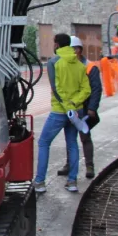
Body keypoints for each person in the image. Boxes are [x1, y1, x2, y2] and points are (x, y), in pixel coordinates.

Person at [34, 33, 92, 194]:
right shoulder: (80, 65)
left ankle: (39, 182)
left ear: (57, 44)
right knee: (72, 143)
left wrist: (67, 107)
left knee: (44, 142)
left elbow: (56, 88)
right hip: (76, 112)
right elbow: (86, 90)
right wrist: (74, 104)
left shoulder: (54, 63)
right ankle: (72, 181)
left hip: (60, 112)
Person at [58, 36, 102, 180]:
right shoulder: (66, 65)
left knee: (85, 137)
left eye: (71, 49)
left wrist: (92, 108)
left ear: (78, 50)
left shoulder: (90, 67)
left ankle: (89, 166)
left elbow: (96, 89)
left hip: (85, 108)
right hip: (70, 107)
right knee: (70, 138)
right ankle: (69, 164)